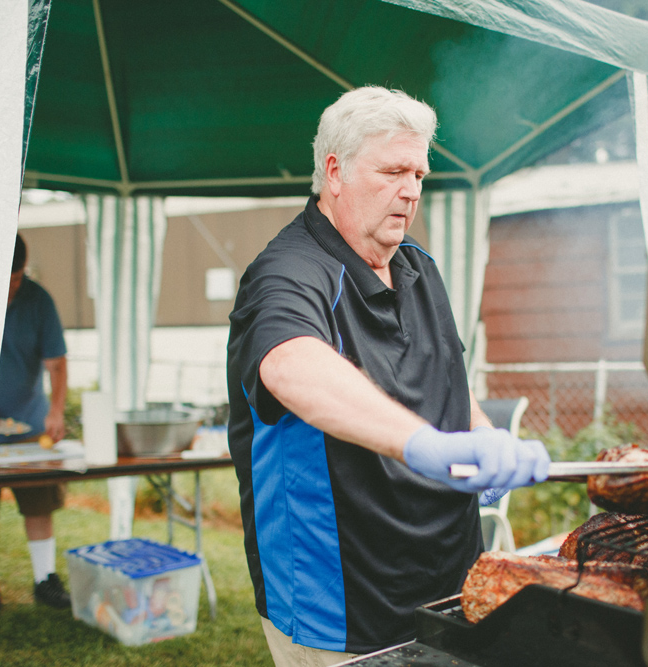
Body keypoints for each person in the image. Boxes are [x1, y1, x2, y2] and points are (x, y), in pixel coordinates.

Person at [227, 86, 550, 666]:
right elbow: (290, 361)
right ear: (335, 172)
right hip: (343, 606)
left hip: (451, 583)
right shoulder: (287, 270)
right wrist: (419, 443)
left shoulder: (419, 267)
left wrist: (481, 437)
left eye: (420, 175)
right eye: (393, 171)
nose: (411, 191)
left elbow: (448, 379)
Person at [0, 233, 72, 618]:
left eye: (17, 277)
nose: (12, 286)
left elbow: (56, 363)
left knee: (39, 505)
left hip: (30, 426)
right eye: (5, 278)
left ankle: (46, 580)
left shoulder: (38, 300)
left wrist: (56, 411)